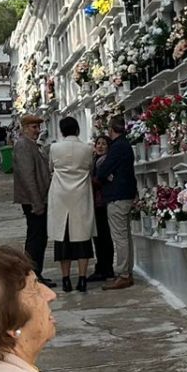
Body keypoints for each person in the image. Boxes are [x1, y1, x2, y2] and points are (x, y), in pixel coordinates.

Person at [48, 115, 96, 294]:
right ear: (77, 129)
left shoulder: (54, 148)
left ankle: (66, 279)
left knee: (63, 238)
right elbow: (90, 168)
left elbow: (51, 167)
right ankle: (82, 279)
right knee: (82, 238)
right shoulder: (86, 148)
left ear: (61, 130)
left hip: (61, 195)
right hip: (81, 194)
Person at [12, 115, 52, 283]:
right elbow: (28, 176)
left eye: (37, 127)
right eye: (34, 127)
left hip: (38, 198)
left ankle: (36, 273)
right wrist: (37, 201)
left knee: (39, 236)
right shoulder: (23, 145)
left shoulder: (31, 145)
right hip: (33, 200)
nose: (37, 130)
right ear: (25, 128)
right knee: (36, 237)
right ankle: (32, 274)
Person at [101, 121, 137, 291]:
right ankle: (127, 272)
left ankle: (123, 274)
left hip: (117, 196)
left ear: (111, 130)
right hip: (127, 194)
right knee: (126, 236)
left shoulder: (116, 147)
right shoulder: (126, 145)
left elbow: (103, 171)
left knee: (120, 237)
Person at [88, 135, 114, 284]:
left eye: (104, 144)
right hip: (97, 203)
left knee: (102, 237)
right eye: (98, 143)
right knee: (99, 237)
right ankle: (102, 266)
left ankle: (105, 268)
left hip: (101, 203)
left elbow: (100, 180)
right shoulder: (95, 160)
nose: (100, 146)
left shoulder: (104, 162)